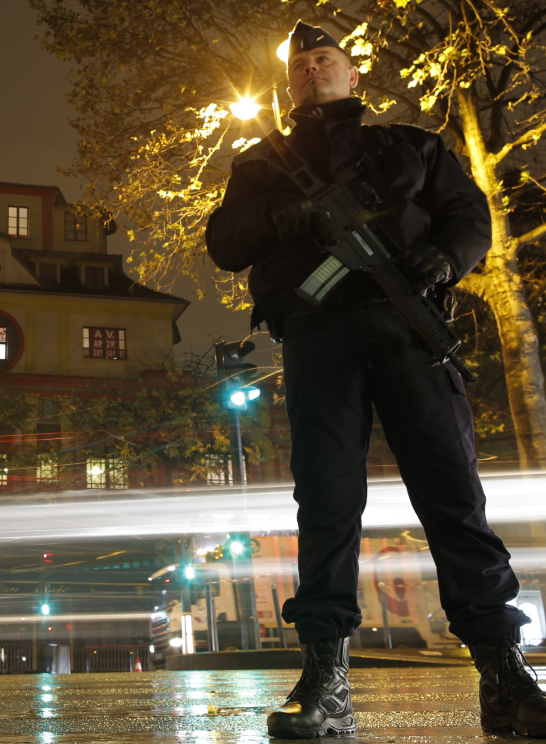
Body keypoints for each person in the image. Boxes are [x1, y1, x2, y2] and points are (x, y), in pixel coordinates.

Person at [206, 19, 546, 740]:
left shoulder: (411, 146)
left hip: (407, 328)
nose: (310, 71)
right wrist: (282, 216)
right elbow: (225, 243)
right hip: (316, 335)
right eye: (299, 64)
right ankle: (324, 680)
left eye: (323, 60)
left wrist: (443, 261)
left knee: (453, 495)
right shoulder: (260, 162)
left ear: (352, 74)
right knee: (326, 501)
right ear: (287, 81)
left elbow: (466, 213)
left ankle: (502, 671)